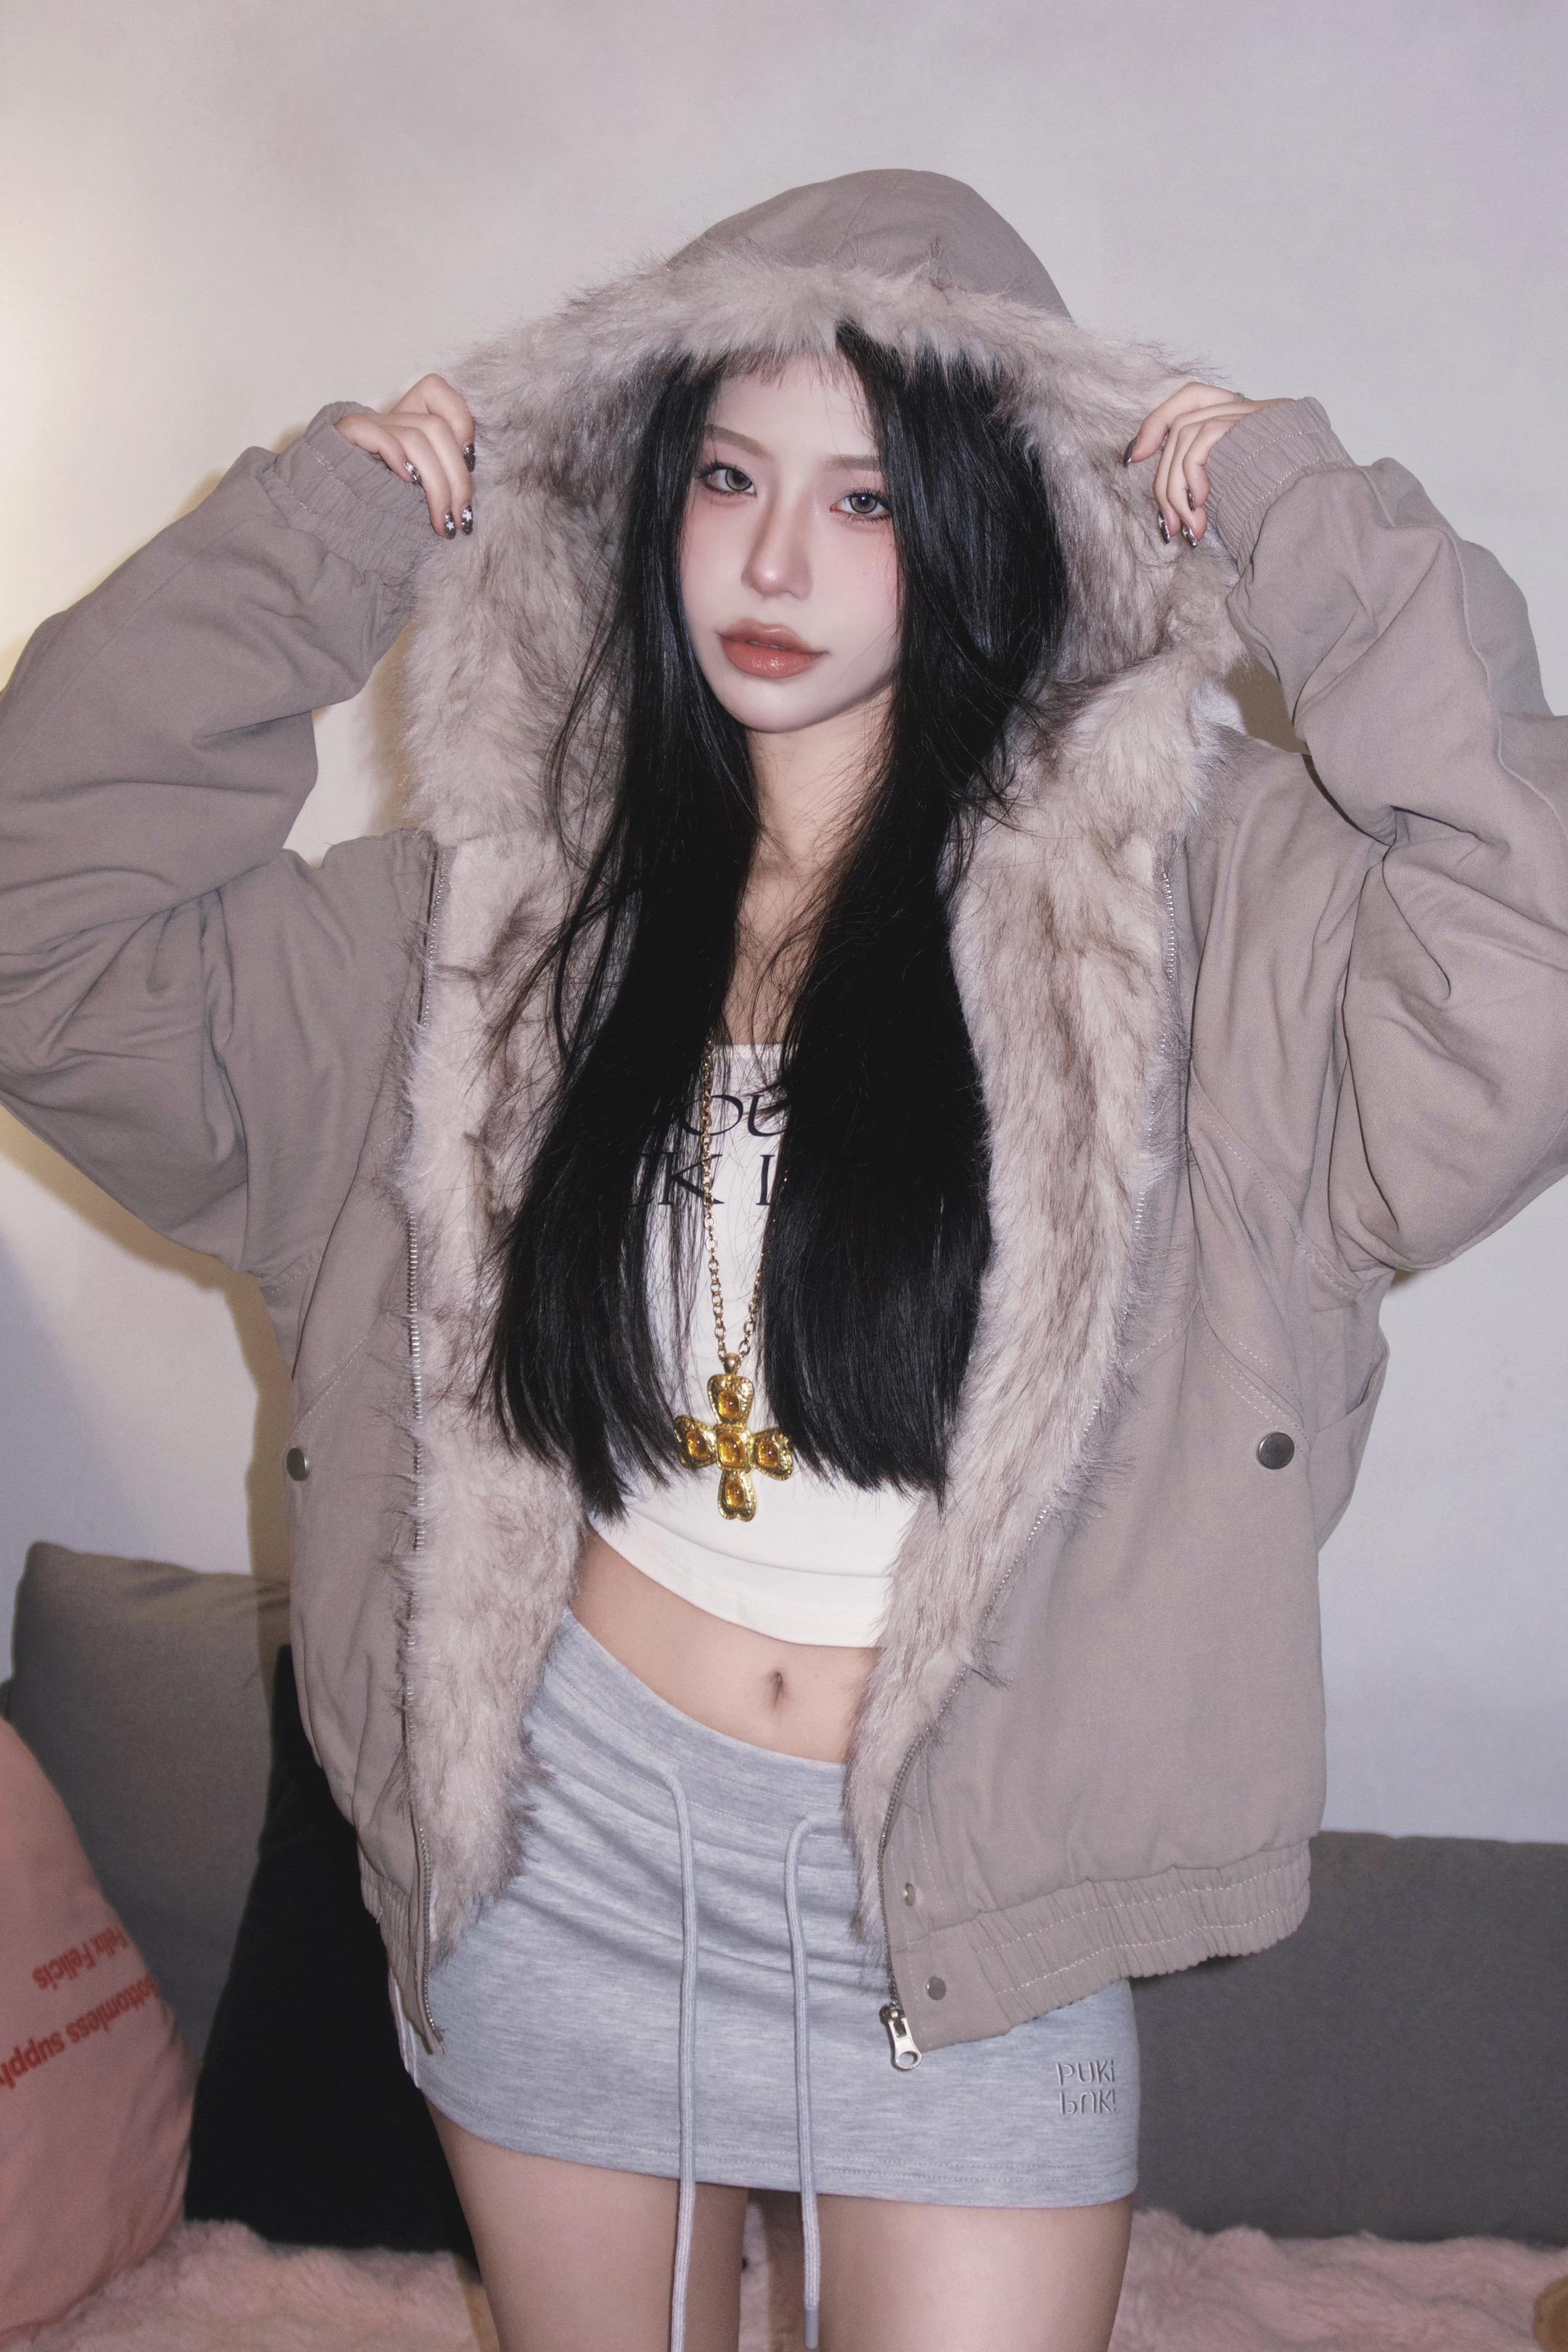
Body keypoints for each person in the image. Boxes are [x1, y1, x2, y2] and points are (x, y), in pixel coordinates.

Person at [1, 168, 1564, 2352]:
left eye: (866, 499)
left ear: (986, 520)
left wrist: (1308, 522)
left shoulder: (1193, 940)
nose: (770, 560)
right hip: (566, 1854)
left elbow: (1530, 946)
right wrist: (318, 540)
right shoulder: (476, 931)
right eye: (727, 476)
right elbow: (46, 938)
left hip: (956, 1904)